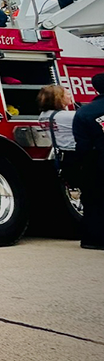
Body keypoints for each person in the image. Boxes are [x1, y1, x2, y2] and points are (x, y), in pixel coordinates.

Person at [71, 73, 104, 250]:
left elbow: (82, 144)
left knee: (93, 201)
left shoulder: (84, 112)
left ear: (95, 88)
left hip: (95, 161)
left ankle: (92, 240)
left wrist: (81, 166)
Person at [37, 84, 79, 170]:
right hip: (76, 154)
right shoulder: (68, 116)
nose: (70, 96)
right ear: (59, 97)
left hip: (61, 154)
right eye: (67, 94)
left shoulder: (42, 116)